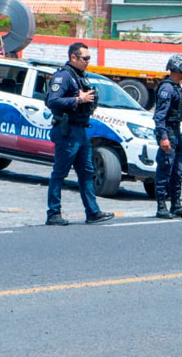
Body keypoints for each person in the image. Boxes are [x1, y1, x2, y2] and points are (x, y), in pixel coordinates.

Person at [44, 42, 114, 226]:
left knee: (87, 172)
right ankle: (53, 214)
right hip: (67, 131)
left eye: (89, 58)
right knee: (60, 173)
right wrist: (78, 99)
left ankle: (93, 212)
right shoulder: (63, 76)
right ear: (73, 58)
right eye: (85, 58)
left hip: (81, 130)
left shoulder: (80, 76)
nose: (88, 62)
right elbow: (53, 101)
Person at [153, 54, 182, 220]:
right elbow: (159, 116)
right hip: (168, 133)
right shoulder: (167, 88)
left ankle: (176, 205)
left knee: (178, 171)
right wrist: (163, 137)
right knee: (165, 169)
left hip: (177, 131)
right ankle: (161, 207)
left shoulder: (178, 87)